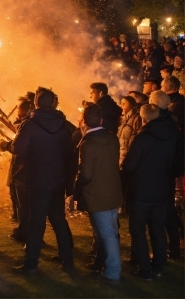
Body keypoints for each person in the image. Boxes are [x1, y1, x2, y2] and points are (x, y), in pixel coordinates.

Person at [8, 87, 75, 274]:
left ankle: (31, 265)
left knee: (36, 222)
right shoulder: (63, 124)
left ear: (36, 103)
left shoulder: (30, 124)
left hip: (36, 180)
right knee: (58, 220)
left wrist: (7, 145)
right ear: (53, 103)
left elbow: (19, 148)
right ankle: (68, 261)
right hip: (57, 180)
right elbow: (71, 151)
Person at [122, 103, 177, 279]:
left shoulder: (142, 138)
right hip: (161, 191)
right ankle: (158, 265)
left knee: (138, 231)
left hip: (140, 192)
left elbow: (130, 166)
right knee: (157, 229)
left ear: (143, 118)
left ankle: (145, 269)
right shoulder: (170, 135)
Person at [74, 104, 122, 283]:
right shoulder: (113, 138)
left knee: (106, 234)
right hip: (113, 192)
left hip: (97, 194)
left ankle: (113, 271)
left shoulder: (88, 144)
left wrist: (76, 188)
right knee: (111, 232)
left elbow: (86, 174)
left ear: (84, 122)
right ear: (101, 120)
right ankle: (107, 265)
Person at [149, 89, 184, 260]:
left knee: (159, 215)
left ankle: (162, 251)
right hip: (168, 173)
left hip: (159, 173)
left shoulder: (158, 123)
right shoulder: (172, 123)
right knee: (168, 212)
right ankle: (174, 248)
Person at [1, 97, 33, 244]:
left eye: (19, 109)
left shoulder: (27, 125)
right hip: (27, 171)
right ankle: (26, 231)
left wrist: (6, 145)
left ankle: (24, 232)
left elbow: (18, 147)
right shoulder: (28, 124)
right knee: (25, 205)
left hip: (23, 170)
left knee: (24, 205)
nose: (17, 111)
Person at [117, 95, 141, 164]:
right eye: (121, 103)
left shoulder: (136, 119)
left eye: (124, 104)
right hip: (120, 154)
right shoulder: (123, 119)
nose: (121, 106)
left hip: (128, 156)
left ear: (131, 105)